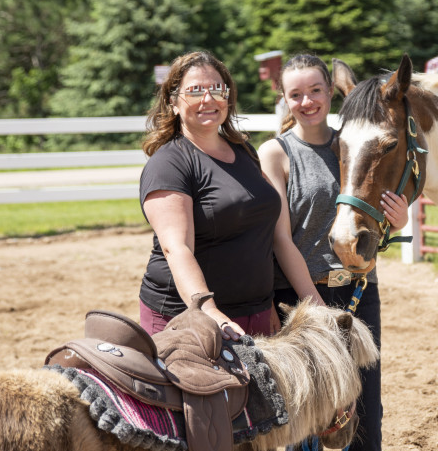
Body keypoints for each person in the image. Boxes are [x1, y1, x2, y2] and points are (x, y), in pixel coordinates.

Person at [259, 54, 408, 451]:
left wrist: (397, 220)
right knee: (307, 416)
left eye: (315, 90)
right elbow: (281, 239)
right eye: (296, 94)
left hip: (359, 290)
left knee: (367, 415)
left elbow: (375, 210)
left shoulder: (354, 141)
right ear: (285, 99)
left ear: (330, 92)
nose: (307, 101)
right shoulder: (277, 152)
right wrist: (314, 306)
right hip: (302, 297)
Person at [137, 50, 324, 341]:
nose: (208, 99)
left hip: (255, 313)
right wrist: (209, 311)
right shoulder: (169, 165)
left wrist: (268, 303)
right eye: (195, 91)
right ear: (173, 102)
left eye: (216, 89)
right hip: (188, 318)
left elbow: (269, 235)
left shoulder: (244, 152)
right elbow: (177, 249)